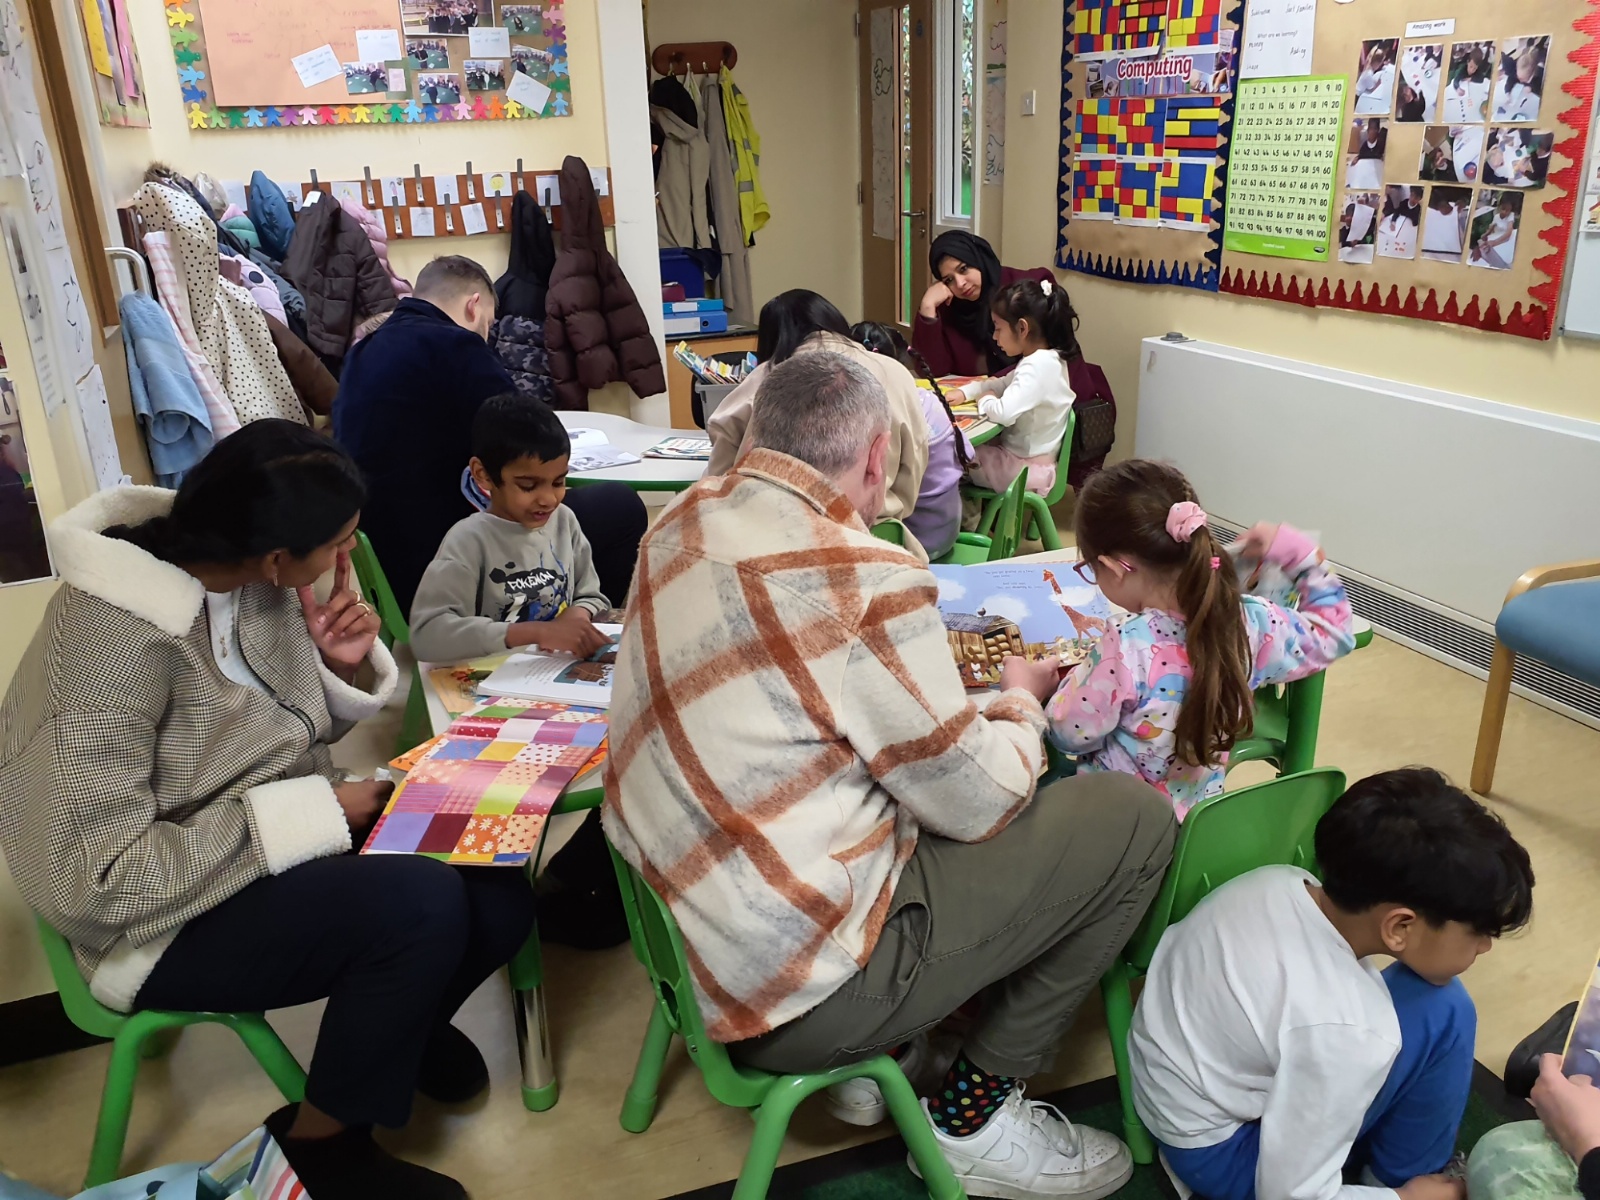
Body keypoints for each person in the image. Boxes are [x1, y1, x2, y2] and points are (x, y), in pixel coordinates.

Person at [604, 350, 1177, 1200]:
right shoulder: (864, 578)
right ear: (878, 459)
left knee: (914, 788)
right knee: (1133, 820)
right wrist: (1019, 702)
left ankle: (901, 1049)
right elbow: (980, 802)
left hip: (698, 941)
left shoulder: (680, 519)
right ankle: (975, 1117)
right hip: (803, 995)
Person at [0, 421, 534, 1200]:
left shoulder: (243, 571)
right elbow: (97, 881)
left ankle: (403, 1029)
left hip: (255, 844)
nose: (347, 561)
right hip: (148, 924)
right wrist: (319, 811)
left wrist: (334, 668)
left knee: (495, 879)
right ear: (280, 558)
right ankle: (324, 1150)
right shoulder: (104, 656)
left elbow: (270, 740)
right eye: (340, 545)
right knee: (418, 906)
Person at [1131, 768, 1535, 1200]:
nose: (1485, 947)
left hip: (1171, 1094)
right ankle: (1404, 1184)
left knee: (1443, 1005)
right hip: (1226, 1157)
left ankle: (1398, 1177)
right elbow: (1289, 1196)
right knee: (1446, 1012)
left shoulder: (1277, 879)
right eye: (1479, 932)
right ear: (1399, 926)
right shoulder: (1349, 1030)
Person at [333, 255, 646, 615]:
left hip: (384, 563)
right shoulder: (456, 345)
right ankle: (582, 622)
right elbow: (533, 436)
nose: (487, 333)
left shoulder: (363, 352)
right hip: (450, 565)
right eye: (489, 323)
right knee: (619, 506)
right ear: (473, 305)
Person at [1043, 459, 1355, 819]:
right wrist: (1296, 552)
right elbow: (1335, 632)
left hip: (1117, 831)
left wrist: (1037, 690)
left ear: (1115, 568)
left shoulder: (1125, 646)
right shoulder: (1250, 622)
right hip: (1196, 827)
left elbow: (1068, 734)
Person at [706, 290, 930, 547]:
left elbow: (720, 462)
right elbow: (915, 456)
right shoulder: (896, 373)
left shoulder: (767, 376)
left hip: (774, 538)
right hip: (879, 533)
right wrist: (894, 506)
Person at [411, 394, 609, 663]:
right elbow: (426, 636)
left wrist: (577, 615)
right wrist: (536, 633)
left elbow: (591, 595)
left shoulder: (564, 520)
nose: (548, 500)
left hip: (550, 670)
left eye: (558, 482)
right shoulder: (468, 540)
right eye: (528, 486)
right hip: (488, 675)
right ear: (483, 474)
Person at [851, 320, 973, 559]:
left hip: (914, 545)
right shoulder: (929, 399)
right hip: (948, 532)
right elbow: (967, 453)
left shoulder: (880, 414)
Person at [956, 277, 1079, 496]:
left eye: (998, 328)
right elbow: (1002, 383)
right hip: (1034, 464)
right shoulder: (1049, 359)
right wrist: (966, 392)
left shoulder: (1036, 367)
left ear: (1022, 328)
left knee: (951, 455)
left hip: (1022, 470)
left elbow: (1004, 413)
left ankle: (965, 514)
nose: (995, 337)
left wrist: (985, 399)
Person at [913, 230, 1054, 377]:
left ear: (978, 259)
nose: (960, 284)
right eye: (949, 280)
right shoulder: (948, 305)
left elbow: (1048, 356)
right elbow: (931, 371)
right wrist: (927, 307)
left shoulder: (1025, 290)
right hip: (976, 390)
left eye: (963, 269)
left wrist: (996, 382)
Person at [1494, 45, 1545, 122]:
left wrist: (1530, 86)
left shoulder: (1541, 78)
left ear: (1531, 74)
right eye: (1518, 77)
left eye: (1522, 79)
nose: (1519, 80)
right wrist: (1508, 91)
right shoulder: (1520, 72)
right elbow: (1512, 78)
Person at [1443, 47, 1491, 123]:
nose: (1472, 70)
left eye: (1475, 68)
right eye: (1471, 67)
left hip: (1472, 90)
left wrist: (1471, 79)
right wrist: (1457, 88)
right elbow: (1456, 80)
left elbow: (1481, 79)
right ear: (1468, 62)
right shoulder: (1463, 69)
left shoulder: (1478, 71)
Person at [1354, 43, 1397, 115]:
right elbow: (1371, 89)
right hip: (1357, 95)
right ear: (1377, 63)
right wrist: (1378, 83)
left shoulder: (1369, 68)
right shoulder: (1369, 74)